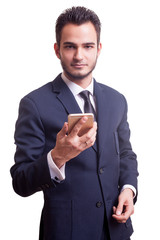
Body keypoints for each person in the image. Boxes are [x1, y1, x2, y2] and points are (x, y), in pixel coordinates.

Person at [10, 6, 138, 240]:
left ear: (98, 49)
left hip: (116, 229)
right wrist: (57, 157)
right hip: (67, 233)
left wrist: (128, 189)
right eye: (70, 46)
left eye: (88, 46)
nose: (79, 56)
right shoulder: (34, 104)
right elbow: (20, 181)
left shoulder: (117, 100)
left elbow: (126, 153)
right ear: (57, 50)